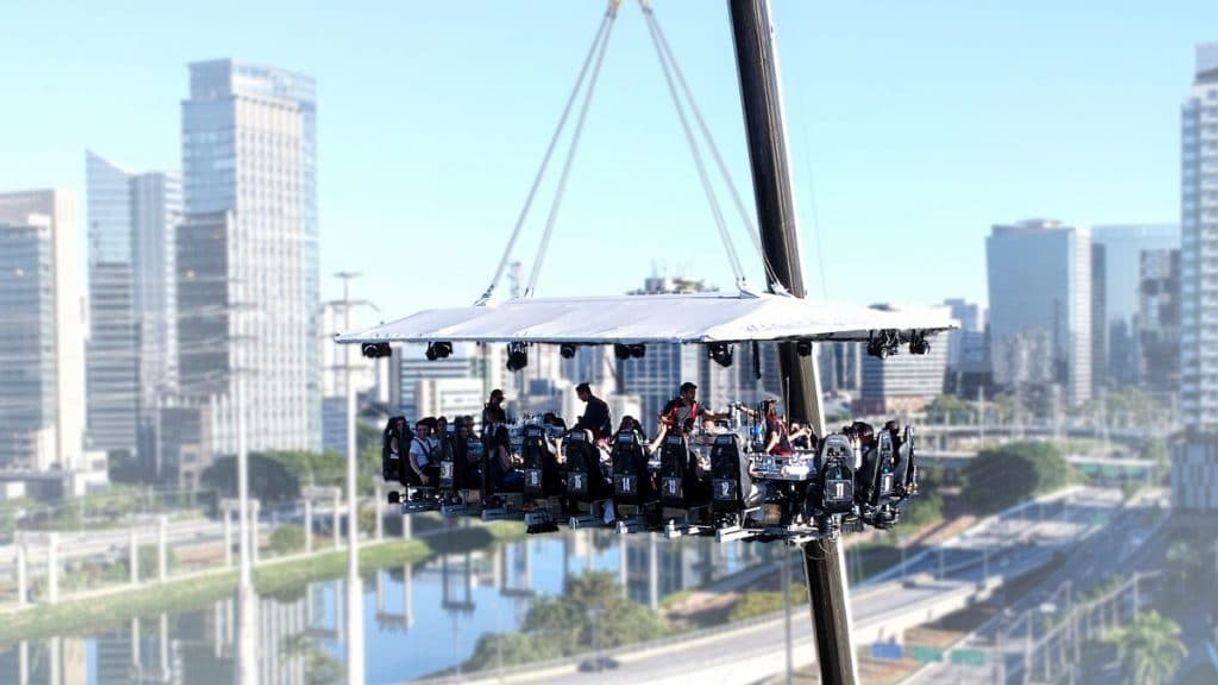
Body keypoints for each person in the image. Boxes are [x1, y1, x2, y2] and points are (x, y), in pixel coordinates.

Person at [658, 382, 724, 435]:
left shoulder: (697, 406)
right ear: (683, 393)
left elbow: (711, 416)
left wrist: (727, 415)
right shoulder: (673, 404)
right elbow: (662, 418)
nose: (693, 395)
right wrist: (673, 422)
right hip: (672, 436)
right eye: (691, 392)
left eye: (694, 393)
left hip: (687, 437)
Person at [408, 419, 439, 485]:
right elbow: (412, 462)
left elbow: (436, 449)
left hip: (430, 467)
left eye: (424, 430)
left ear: (428, 430)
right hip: (422, 470)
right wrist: (421, 475)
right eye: (420, 430)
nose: (422, 432)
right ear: (416, 431)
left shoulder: (428, 440)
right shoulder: (415, 443)